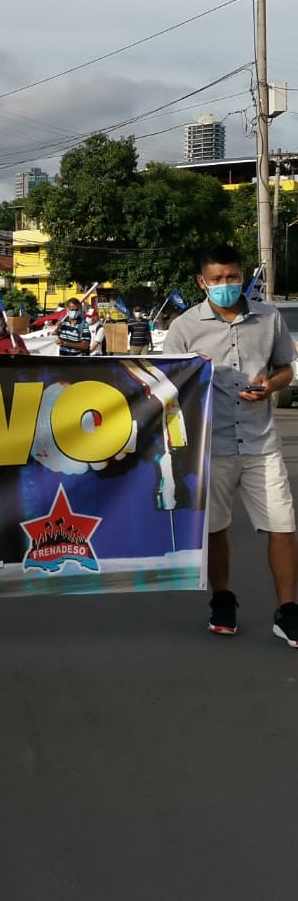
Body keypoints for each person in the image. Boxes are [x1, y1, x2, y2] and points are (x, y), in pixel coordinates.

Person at [163, 244, 298, 648]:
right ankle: (222, 599)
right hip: (211, 445)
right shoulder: (184, 328)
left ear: (243, 276)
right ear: (201, 282)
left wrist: (269, 386)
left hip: (261, 443)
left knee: (283, 526)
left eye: (233, 277)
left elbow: (285, 368)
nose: (226, 285)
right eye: (217, 279)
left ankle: (288, 611)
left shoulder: (269, 318)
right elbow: (168, 387)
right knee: (217, 528)